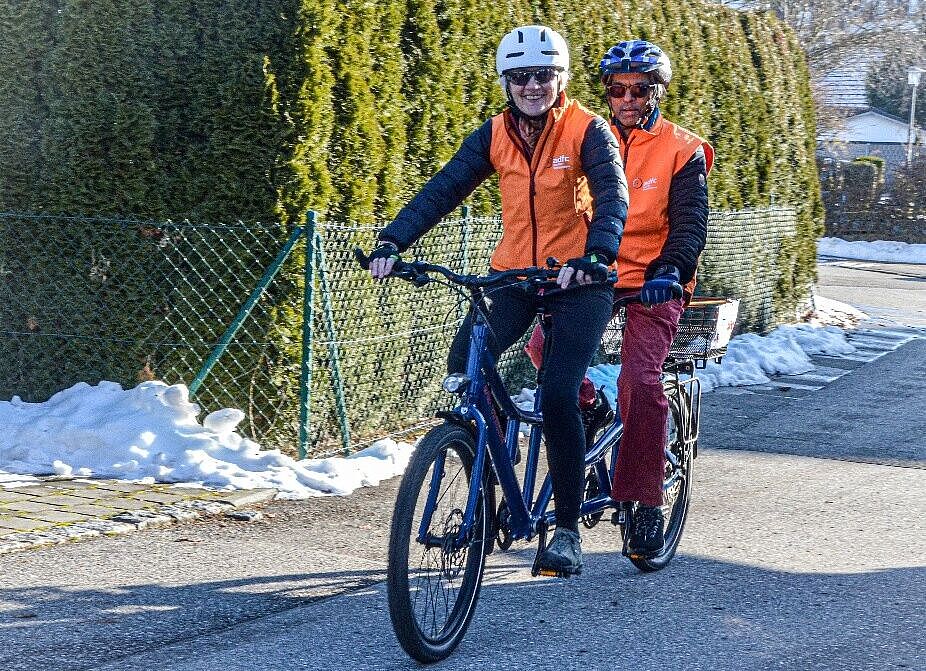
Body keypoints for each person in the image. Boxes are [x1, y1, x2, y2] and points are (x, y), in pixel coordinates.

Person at [367, 25, 629, 576]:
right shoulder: (493, 134)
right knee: (465, 366)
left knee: (556, 393)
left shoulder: (588, 129)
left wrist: (598, 253)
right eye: (520, 77)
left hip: (579, 280)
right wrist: (393, 240)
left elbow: (612, 193)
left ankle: (565, 531)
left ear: (560, 79)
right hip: (514, 274)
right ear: (506, 82)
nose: (532, 86)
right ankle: (485, 486)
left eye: (543, 75)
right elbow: (443, 189)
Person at [599, 40, 714, 557]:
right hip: (597, 276)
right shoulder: (590, 141)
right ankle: (590, 410)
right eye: (617, 89)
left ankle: (647, 501)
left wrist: (671, 269)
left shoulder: (682, 149)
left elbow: (690, 224)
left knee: (640, 379)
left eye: (639, 89)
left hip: (654, 280)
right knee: (542, 351)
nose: (627, 99)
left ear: (656, 92)